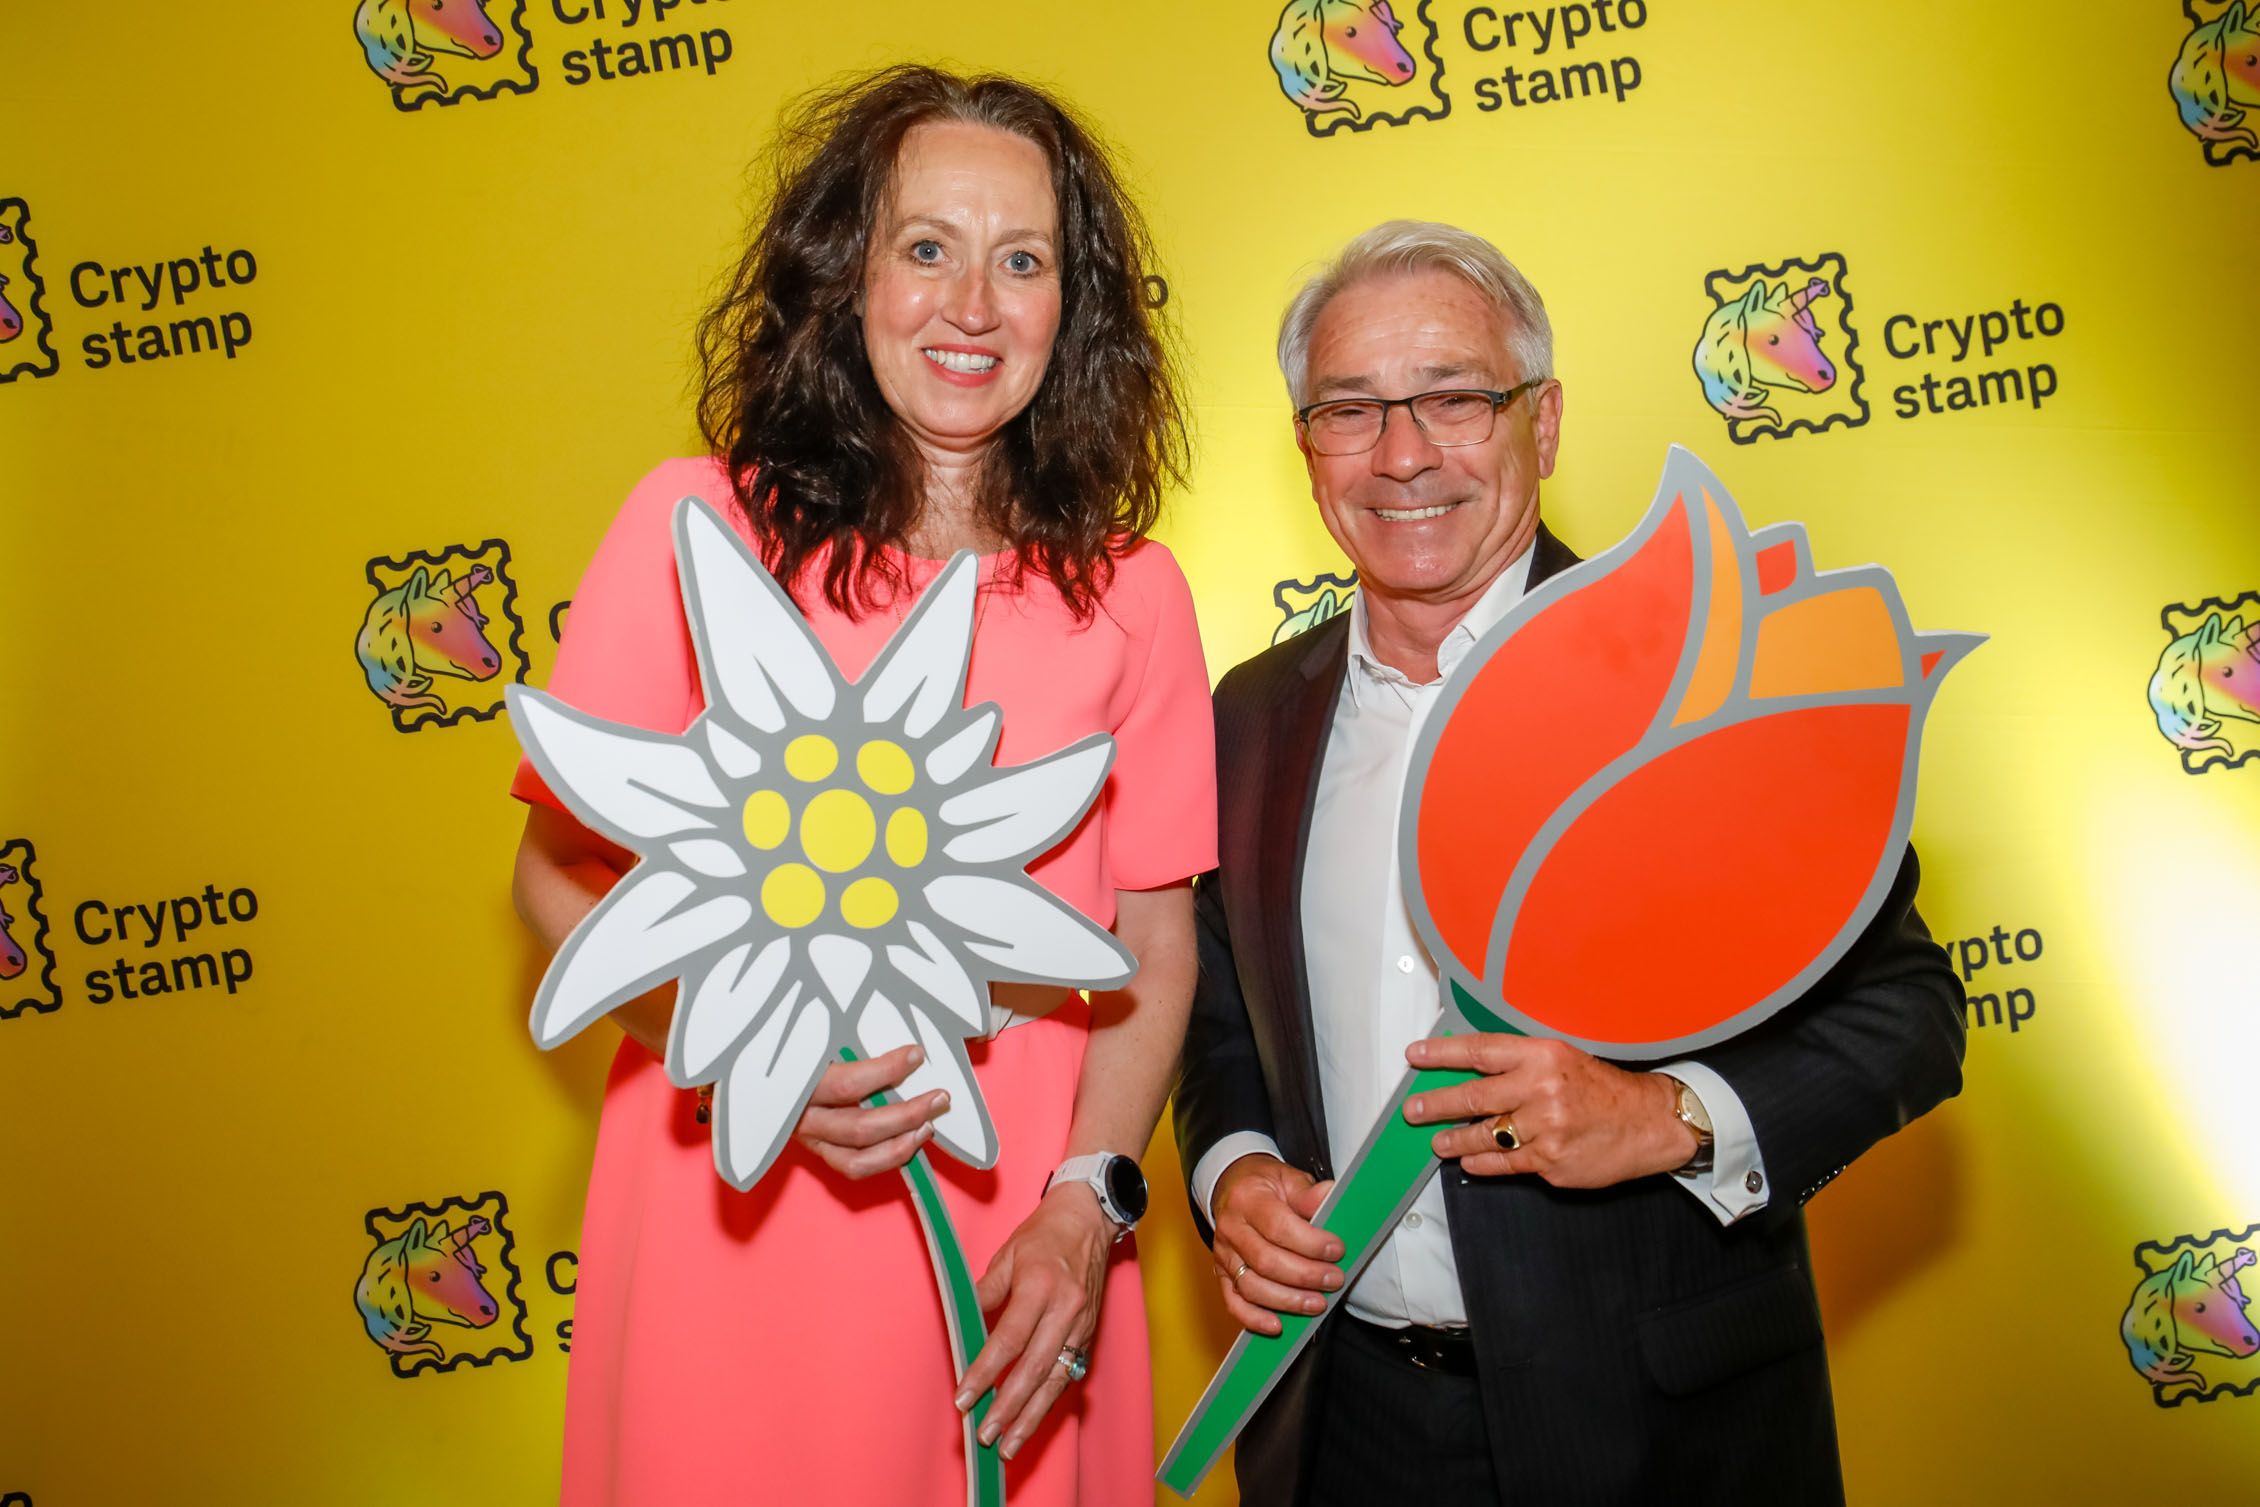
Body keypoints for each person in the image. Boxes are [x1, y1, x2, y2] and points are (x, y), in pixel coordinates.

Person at [1172, 220, 1967, 1506]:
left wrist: (1665, 1117)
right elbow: (1218, 1018)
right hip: (1341, 1429)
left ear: (1541, 426)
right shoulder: (1247, 712)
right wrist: (1235, 1172)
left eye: (1453, 398)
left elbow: (1911, 1014)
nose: (1403, 453)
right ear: (1307, 449)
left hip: (1662, 1432)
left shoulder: (1690, 677)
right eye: (1350, 409)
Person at [510, 66, 1214, 1506]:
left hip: (1016, 1228)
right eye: (926, 247)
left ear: (1072, 308)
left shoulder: (1137, 595)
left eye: (1023, 260)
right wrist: (728, 1051)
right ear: (844, 274)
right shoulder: (694, 523)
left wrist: (1087, 1204)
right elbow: (551, 872)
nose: (973, 303)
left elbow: (1153, 949)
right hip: (736, 1201)